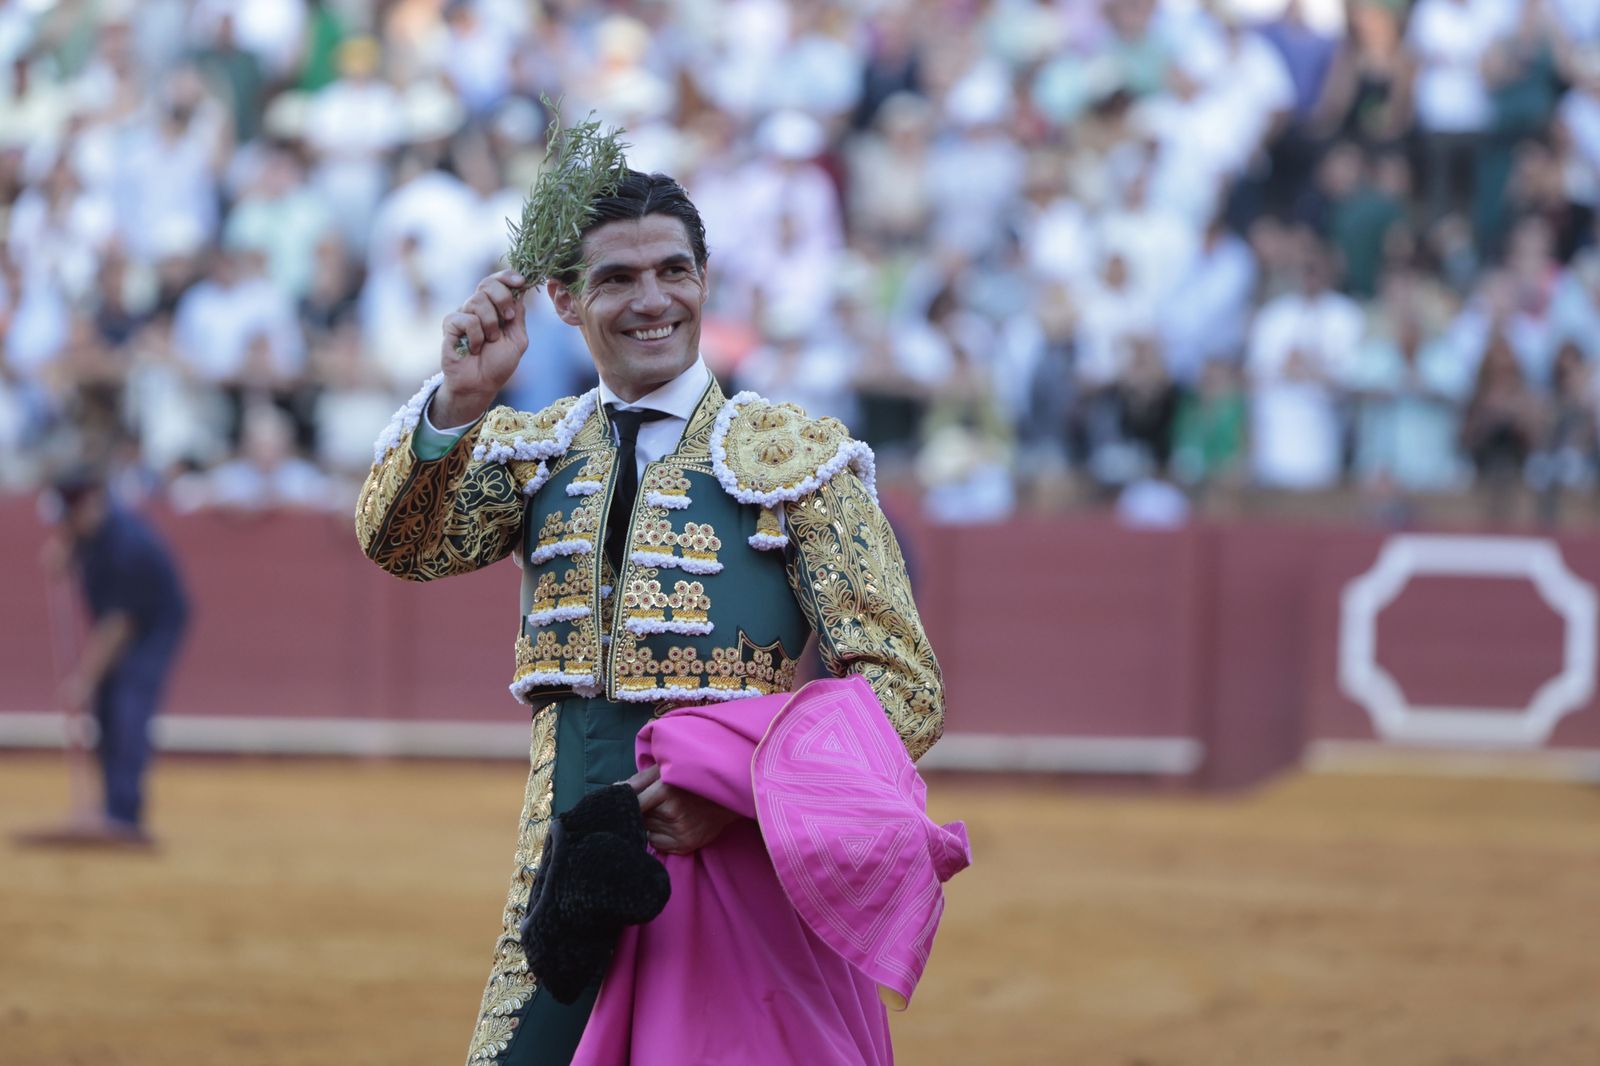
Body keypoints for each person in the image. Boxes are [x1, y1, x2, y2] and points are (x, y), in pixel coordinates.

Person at [354, 169, 944, 1065]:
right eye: (618, 279)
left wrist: (739, 795)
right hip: (565, 878)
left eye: (674, 271)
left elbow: (904, 687)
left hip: (739, 880)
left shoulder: (797, 461)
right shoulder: (534, 451)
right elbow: (402, 544)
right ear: (563, 299)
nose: (652, 300)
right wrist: (458, 404)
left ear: (704, 280)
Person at [22, 469, 189, 847]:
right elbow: (76, 540)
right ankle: (112, 807)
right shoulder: (93, 528)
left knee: (128, 705)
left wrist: (84, 679)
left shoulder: (127, 545)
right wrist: (66, 549)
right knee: (108, 709)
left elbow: (118, 626)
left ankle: (124, 816)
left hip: (152, 628)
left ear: (87, 507)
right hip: (125, 624)